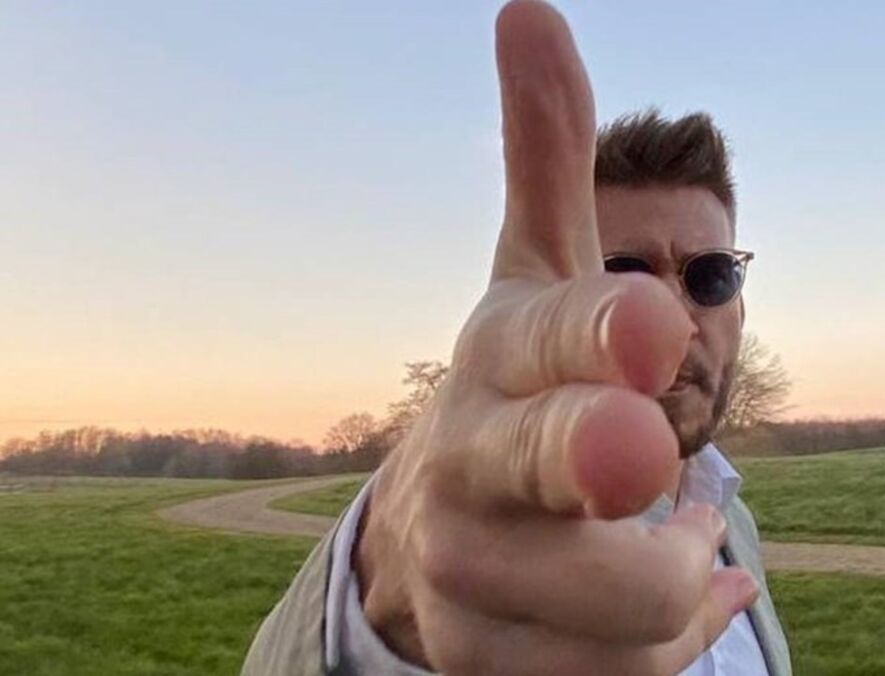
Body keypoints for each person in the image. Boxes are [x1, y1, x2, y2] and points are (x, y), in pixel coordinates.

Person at [242, 2, 790, 674]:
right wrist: (382, 597)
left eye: (709, 276)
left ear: (740, 306)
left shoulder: (733, 522)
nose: (673, 315)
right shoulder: (504, 535)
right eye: (623, 274)